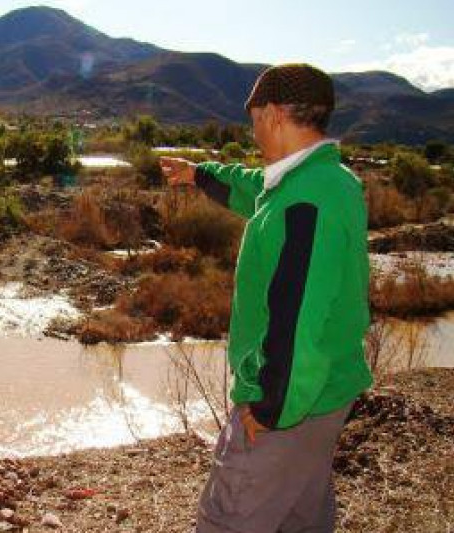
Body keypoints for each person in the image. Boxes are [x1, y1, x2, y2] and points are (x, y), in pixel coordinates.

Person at [160, 63, 373, 533]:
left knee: (229, 520)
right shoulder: (327, 181)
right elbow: (258, 191)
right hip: (324, 396)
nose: (253, 133)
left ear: (274, 114)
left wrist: (269, 407)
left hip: (288, 405)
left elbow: (297, 321)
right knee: (299, 516)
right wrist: (200, 176)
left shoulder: (306, 203)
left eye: (255, 120)